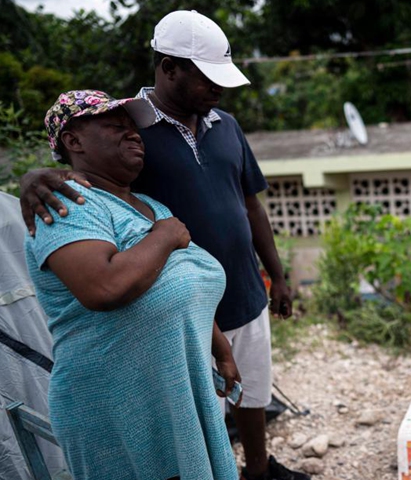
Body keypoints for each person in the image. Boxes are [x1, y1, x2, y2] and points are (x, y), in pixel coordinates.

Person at [19, 10, 307, 480]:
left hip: (240, 293)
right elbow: (86, 176)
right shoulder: (135, 134)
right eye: (207, 77)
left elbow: (251, 204)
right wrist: (35, 176)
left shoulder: (225, 127)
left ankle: (259, 470)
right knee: (186, 422)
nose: (219, 89)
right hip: (172, 322)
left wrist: (277, 275)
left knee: (250, 393)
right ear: (169, 67)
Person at [26, 90, 239, 479]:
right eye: (115, 126)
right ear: (73, 141)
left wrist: (220, 348)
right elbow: (104, 289)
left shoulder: (152, 206)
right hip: (114, 407)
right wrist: (165, 235)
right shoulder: (66, 204)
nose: (134, 135)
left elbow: (179, 287)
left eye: (134, 128)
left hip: (171, 393)